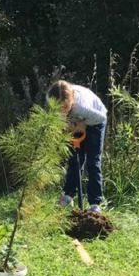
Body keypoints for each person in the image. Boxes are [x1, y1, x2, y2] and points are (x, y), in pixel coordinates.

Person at [46, 79, 107, 212]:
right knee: (74, 160)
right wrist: (73, 127)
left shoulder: (82, 106)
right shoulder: (51, 98)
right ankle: (68, 196)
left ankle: (94, 204)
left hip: (95, 121)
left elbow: (102, 117)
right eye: (59, 109)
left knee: (93, 162)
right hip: (74, 123)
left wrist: (82, 125)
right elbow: (58, 119)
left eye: (64, 108)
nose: (61, 112)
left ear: (71, 102)